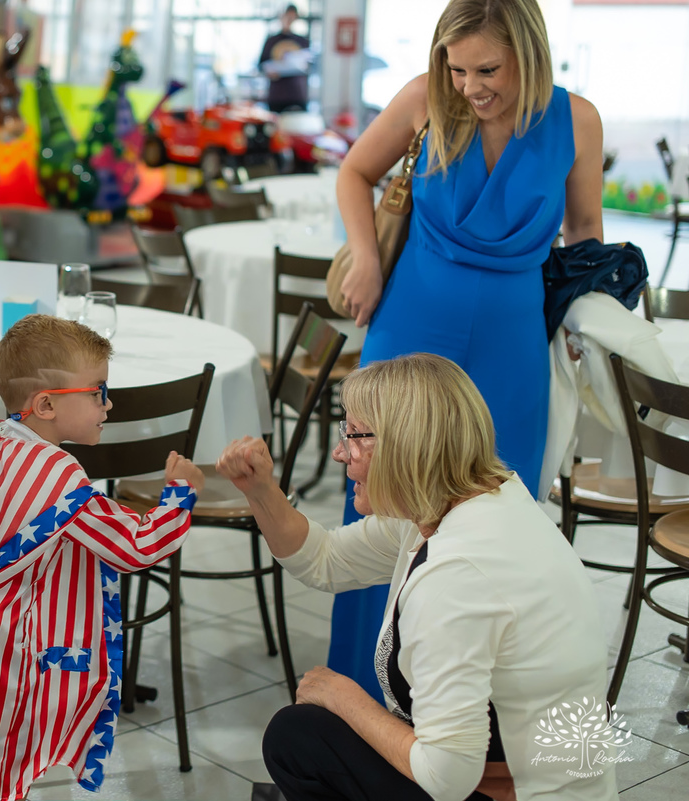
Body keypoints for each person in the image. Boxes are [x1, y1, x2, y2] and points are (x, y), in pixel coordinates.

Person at [329, 0, 604, 697]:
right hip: (409, 329)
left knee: (497, 514)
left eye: (488, 69)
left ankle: (469, 707)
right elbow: (354, 173)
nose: (471, 87)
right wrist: (364, 254)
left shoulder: (576, 121)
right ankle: (365, 692)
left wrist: (582, 324)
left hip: (512, 345)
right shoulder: (426, 98)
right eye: (457, 69)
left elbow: (585, 234)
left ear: (530, 54)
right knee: (385, 506)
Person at [217, 354, 614, 801]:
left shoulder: (458, 576)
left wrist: (345, 697)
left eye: (353, 435)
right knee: (309, 733)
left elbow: (448, 779)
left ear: (407, 443)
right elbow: (323, 560)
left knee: (298, 735)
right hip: (528, 773)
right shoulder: (476, 499)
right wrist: (260, 490)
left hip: (519, 791)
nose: (339, 451)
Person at [0, 315, 204, 801]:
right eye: (98, 393)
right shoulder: (60, 481)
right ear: (46, 404)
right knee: (7, 759)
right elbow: (137, 546)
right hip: (9, 650)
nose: (108, 404)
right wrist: (181, 494)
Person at [259, 5, 311, 113]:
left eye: (292, 17)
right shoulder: (271, 41)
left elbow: (310, 65)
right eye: (287, 17)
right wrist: (268, 72)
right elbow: (261, 64)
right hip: (277, 95)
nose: (289, 20)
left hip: (297, 94)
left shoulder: (302, 41)